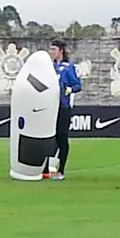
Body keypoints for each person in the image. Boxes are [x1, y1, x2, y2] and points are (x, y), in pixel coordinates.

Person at [45, 39, 82, 180]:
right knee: (48, 137)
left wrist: (69, 89)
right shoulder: (49, 67)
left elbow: (78, 86)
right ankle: (46, 168)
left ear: (60, 51)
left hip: (63, 107)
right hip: (49, 107)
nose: (51, 52)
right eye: (51, 49)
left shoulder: (68, 67)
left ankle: (61, 170)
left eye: (54, 49)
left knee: (61, 136)